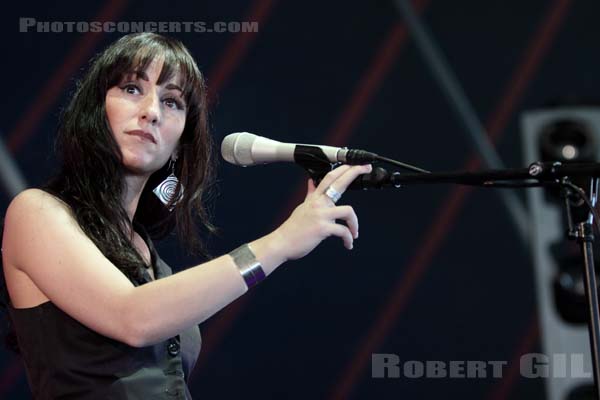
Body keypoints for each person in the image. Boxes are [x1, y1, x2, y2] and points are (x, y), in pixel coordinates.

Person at [0, 32, 371, 399]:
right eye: (132, 89)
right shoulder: (36, 213)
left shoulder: (153, 262)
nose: (151, 112)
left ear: (181, 142)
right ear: (96, 110)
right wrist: (280, 243)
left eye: (173, 102)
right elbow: (132, 317)